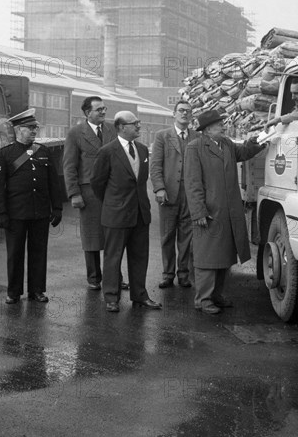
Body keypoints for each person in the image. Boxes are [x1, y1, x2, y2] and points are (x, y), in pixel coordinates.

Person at [184, 109, 265, 314]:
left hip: (229, 211)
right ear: (208, 129)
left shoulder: (226, 144)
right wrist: (199, 212)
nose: (223, 126)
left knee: (224, 256)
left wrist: (257, 142)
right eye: (220, 124)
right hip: (210, 212)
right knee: (207, 258)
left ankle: (216, 295)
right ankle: (202, 299)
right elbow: (192, 183)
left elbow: (243, 153)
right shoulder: (195, 148)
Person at [0, 109, 63, 304]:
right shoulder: (3, 154)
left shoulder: (44, 151)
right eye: (30, 128)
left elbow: (54, 183)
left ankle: (36, 290)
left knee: (39, 251)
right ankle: (13, 292)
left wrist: (57, 207)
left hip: (39, 211)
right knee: (15, 253)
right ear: (18, 130)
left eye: (35, 128)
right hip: (16, 213)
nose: (34, 131)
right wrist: (0, 212)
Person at [91, 111, 161, 312]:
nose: (139, 127)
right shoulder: (107, 151)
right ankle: (111, 297)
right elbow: (97, 183)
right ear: (121, 127)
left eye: (138, 123)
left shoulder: (141, 149)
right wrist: (113, 203)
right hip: (116, 214)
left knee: (140, 256)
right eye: (135, 124)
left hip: (140, 213)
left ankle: (139, 295)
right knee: (113, 257)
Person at [63, 96, 128, 291]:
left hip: (112, 191)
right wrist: (74, 193)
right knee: (91, 236)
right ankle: (94, 277)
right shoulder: (75, 133)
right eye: (98, 109)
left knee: (113, 235)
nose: (103, 112)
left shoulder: (111, 130)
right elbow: (69, 166)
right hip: (88, 192)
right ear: (87, 113)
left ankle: (115, 277)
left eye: (104, 108)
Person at [150, 100, 198, 289]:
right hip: (168, 194)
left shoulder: (196, 136)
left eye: (188, 111)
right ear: (174, 114)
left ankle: (184, 274)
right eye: (181, 111)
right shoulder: (162, 136)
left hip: (189, 195)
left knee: (187, 236)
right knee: (167, 236)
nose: (184, 114)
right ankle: (167, 274)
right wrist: (159, 188)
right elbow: (155, 166)